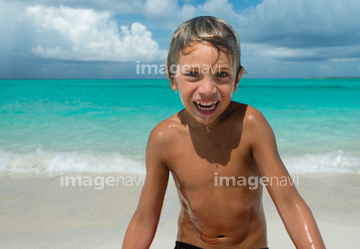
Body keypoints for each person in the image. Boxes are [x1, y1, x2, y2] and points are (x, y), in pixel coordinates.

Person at [122, 16, 326, 249]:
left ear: (237, 80)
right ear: (172, 78)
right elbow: (144, 219)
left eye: (221, 75)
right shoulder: (163, 138)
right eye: (193, 74)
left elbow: (290, 204)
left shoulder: (250, 125)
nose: (208, 89)